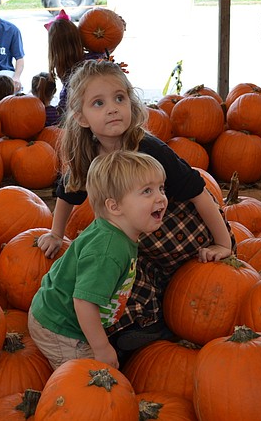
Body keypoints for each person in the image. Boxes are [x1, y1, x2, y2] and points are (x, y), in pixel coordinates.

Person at [36, 60, 234, 351]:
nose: (113, 108)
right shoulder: (88, 156)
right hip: (140, 249)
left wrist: (223, 242)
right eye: (99, 103)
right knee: (124, 283)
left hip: (182, 235)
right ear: (81, 117)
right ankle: (152, 326)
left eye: (120, 98)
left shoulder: (149, 149)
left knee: (191, 287)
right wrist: (56, 233)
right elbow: (68, 191)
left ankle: (178, 317)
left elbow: (198, 192)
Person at [29, 150, 168, 369]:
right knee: (88, 378)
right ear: (115, 206)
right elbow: (84, 302)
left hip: (68, 316)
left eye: (161, 188)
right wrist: (101, 347)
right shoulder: (108, 250)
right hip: (60, 326)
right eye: (147, 191)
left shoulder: (119, 233)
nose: (160, 197)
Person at [47, 9, 102, 118]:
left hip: (78, 119)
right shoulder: (96, 58)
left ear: (55, 49)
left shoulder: (68, 70)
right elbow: (108, 47)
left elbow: (66, 110)